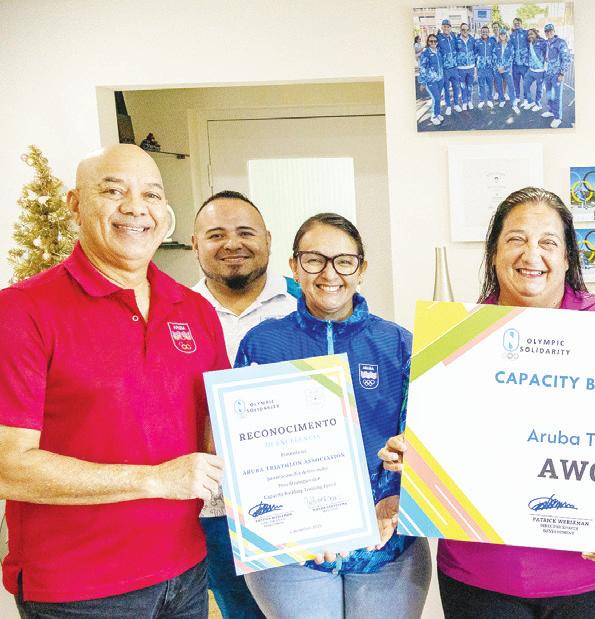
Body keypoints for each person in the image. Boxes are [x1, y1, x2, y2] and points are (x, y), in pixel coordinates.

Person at [380, 188, 595, 618]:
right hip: (482, 573)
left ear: (568, 257)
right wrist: (411, 455)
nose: (531, 254)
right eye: (516, 239)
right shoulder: (455, 335)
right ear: (494, 253)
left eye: (548, 242)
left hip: (590, 573)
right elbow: (441, 439)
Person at [0, 144, 227, 616]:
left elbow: (221, 433)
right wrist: (156, 480)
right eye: (113, 191)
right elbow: (7, 466)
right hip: (79, 590)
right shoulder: (22, 311)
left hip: (186, 573)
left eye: (152, 194)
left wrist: (312, 514)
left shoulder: (195, 310)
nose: (136, 208)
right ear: (75, 204)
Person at [234, 213, 429, 618]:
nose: (329, 274)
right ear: (294, 266)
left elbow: (421, 440)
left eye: (344, 261)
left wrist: (394, 495)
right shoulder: (263, 344)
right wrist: (298, 521)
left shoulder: (397, 344)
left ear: (362, 268)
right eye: (314, 260)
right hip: (293, 553)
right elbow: (245, 452)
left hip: (386, 546)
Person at [191, 190, 298, 619]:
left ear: (268, 239)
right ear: (195, 244)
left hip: (297, 497)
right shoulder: (171, 310)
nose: (232, 243)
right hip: (212, 507)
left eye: (245, 232)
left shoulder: (308, 301)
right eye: (216, 234)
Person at [540, 23, 572, 128]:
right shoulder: (546, 43)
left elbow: (566, 58)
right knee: (549, 94)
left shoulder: (560, 42)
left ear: (554, 31)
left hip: (557, 74)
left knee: (557, 97)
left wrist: (562, 73)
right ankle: (551, 111)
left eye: (550, 30)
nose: (548, 33)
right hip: (547, 73)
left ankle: (558, 118)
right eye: (546, 31)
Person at [419, 33, 446, 125]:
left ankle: (438, 114)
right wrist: (422, 82)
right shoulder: (425, 53)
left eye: (435, 41)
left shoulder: (438, 51)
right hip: (430, 81)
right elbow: (422, 68)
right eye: (431, 41)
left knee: (439, 98)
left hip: (440, 79)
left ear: (437, 42)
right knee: (436, 98)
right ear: (428, 42)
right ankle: (433, 116)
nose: (433, 43)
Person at [492, 27, 519, 113]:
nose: (502, 35)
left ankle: (514, 103)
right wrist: (498, 67)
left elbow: (511, 58)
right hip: (497, 69)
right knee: (499, 85)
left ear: (506, 35)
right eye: (501, 34)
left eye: (504, 34)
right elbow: (494, 56)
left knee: (511, 86)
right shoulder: (496, 45)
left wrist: (504, 67)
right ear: (499, 36)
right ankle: (502, 100)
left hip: (506, 69)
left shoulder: (510, 45)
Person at [437, 19, 461, 116]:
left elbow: (458, 48)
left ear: (450, 28)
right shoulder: (438, 37)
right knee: (446, 88)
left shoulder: (453, 36)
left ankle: (456, 104)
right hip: (445, 68)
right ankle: (448, 106)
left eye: (448, 26)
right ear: (442, 27)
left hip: (454, 67)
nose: (446, 28)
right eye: (444, 26)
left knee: (456, 87)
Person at [520, 28, 547, 113]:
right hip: (531, 70)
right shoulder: (529, 44)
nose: (530, 36)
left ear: (536, 34)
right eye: (528, 35)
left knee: (539, 89)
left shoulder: (542, 42)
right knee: (525, 84)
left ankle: (538, 104)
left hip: (540, 71)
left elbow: (547, 54)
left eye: (531, 34)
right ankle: (530, 101)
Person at [454, 23, 477, 111]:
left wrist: (475, 66)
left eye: (467, 29)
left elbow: (475, 52)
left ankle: (469, 101)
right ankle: (464, 102)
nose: (465, 31)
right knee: (463, 86)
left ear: (469, 30)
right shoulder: (456, 40)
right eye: (463, 29)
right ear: (460, 30)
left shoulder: (472, 40)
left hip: (470, 67)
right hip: (460, 68)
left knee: (470, 86)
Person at [474, 25, 496, 110]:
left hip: (490, 67)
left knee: (490, 84)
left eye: (486, 32)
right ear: (481, 32)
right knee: (481, 84)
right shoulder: (477, 42)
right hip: (481, 67)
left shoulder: (492, 41)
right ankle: (481, 100)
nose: (484, 33)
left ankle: (490, 99)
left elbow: (495, 52)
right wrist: (476, 64)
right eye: (483, 32)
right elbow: (475, 53)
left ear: (488, 32)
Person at [509, 17, 530, 105]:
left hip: (524, 64)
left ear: (521, 23)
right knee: (516, 82)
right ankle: (517, 97)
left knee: (526, 82)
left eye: (518, 23)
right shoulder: (512, 35)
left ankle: (526, 98)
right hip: (515, 64)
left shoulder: (526, 33)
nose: (516, 24)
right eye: (515, 23)